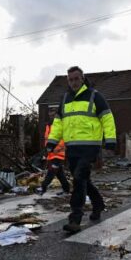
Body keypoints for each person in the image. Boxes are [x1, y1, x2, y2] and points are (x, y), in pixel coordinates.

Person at [46, 66, 117, 233]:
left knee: (78, 179)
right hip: (73, 148)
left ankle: (75, 219)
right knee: (83, 179)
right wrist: (52, 141)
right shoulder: (65, 99)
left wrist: (111, 139)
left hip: (90, 147)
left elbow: (107, 117)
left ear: (83, 79)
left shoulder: (94, 95)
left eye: (76, 78)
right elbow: (58, 123)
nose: (74, 82)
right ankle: (98, 204)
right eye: (70, 79)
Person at [37, 109, 70, 195]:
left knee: (51, 172)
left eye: (53, 115)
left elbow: (65, 138)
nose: (52, 117)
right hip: (51, 153)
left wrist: (59, 148)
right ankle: (66, 190)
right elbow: (47, 139)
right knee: (59, 174)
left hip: (58, 153)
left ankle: (43, 188)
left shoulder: (61, 124)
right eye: (50, 116)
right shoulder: (49, 125)